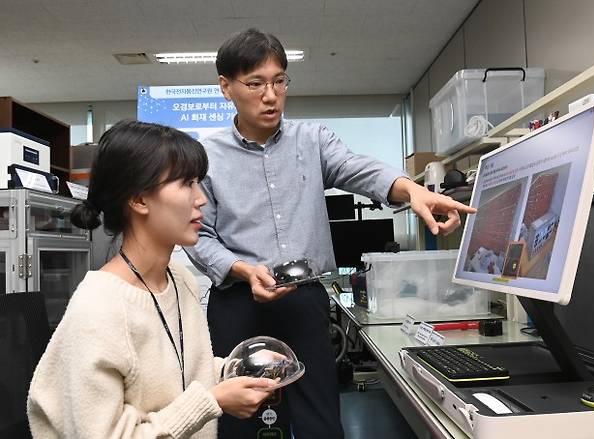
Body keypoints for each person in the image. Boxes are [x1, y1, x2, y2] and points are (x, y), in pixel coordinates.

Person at [186, 28, 477, 438]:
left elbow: (358, 169)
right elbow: (198, 235)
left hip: (304, 301)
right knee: (242, 425)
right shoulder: (206, 155)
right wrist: (243, 271)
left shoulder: (313, 139)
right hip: (238, 302)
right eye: (255, 84)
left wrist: (412, 190)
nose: (270, 95)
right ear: (226, 87)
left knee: (320, 422)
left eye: (279, 81)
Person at [27, 120, 278, 438]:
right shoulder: (98, 309)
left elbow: (179, 375)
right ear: (139, 200)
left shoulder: (179, 279)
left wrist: (238, 367)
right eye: (187, 183)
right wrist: (212, 400)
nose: (201, 198)